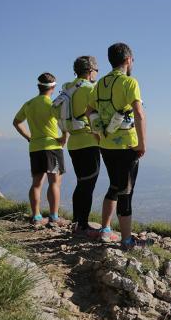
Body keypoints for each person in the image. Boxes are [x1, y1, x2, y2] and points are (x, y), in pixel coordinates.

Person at [85, 42, 149, 249]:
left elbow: (89, 111)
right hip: (127, 146)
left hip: (105, 145)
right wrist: (142, 143)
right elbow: (139, 114)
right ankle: (127, 240)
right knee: (126, 192)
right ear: (128, 60)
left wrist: (97, 134)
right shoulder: (130, 83)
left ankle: (105, 229)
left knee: (114, 185)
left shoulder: (100, 83)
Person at [62, 56, 117, 240]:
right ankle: (82, 227)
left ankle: (78, 222)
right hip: (88, 141)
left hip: (73, 142)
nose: (97, 73)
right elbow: (96, 113)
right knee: (88, 184)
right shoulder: (89, 89)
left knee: (81, 182)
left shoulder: (69, 88)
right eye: (97, 70)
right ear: (90, 70)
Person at [13, 73, 69, 227]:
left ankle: (36, 217)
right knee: (54, 183)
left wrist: (29, 137)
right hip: (52, 148)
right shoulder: (52, 105)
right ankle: (54, 217)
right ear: (53, 87)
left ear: (39, 86)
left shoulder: (29, 104)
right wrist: (64, 137)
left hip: (35, 147)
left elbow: (16, 122)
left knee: (36, 183)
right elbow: (63, 122)